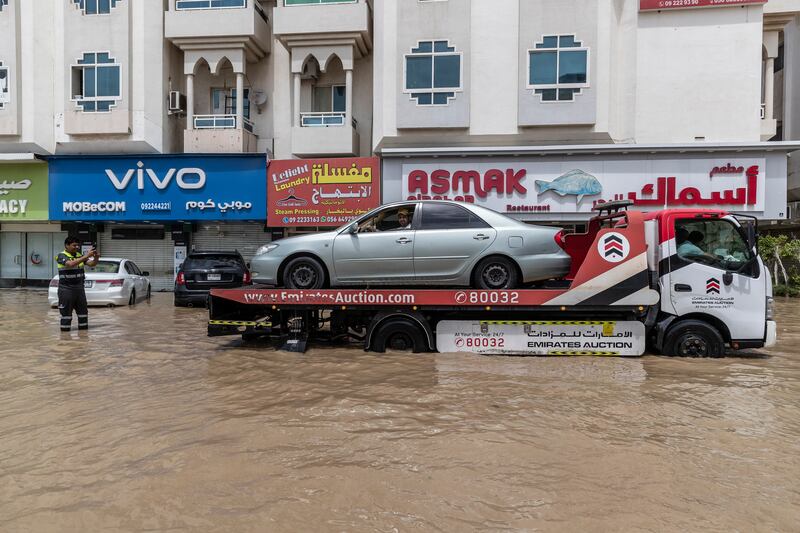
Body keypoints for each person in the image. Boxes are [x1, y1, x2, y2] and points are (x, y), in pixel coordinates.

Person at [55, 237, 99, 332]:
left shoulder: (79, 255)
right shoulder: (61, 256)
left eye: (78, 245)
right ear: (67, 245)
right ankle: (65, 341)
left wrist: (96, 257)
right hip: (66, 289)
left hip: (79, 289)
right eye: (74, 245)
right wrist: (86, 256)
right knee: (66, 315)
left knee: (83, 314)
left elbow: (92, 264)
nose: (77, 247)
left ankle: (83, 339)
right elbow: (70, 264)